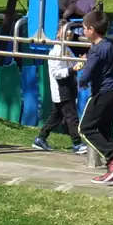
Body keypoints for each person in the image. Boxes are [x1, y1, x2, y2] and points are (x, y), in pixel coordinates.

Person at [77, 8, 113, 182]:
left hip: (102, 92)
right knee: (106, 130)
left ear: (91, 30)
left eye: (84, 28)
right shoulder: (111, 45)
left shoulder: (96, 50)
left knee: (85, 128)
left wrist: (82, 81)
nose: (83, 32)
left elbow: (87, 73)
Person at [34, 18, 83, 152]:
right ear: (57, 34)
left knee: (57, 116)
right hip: (61, 88)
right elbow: (57, 73)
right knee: (71, 116)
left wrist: (80, 61)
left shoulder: (66, 48)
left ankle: (40, 138)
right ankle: (77, 143)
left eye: (69, 32)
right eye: (65, 32)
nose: (68, 34)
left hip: (69, 85)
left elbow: (72, 62)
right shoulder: (55, 51)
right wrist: (72, 69)